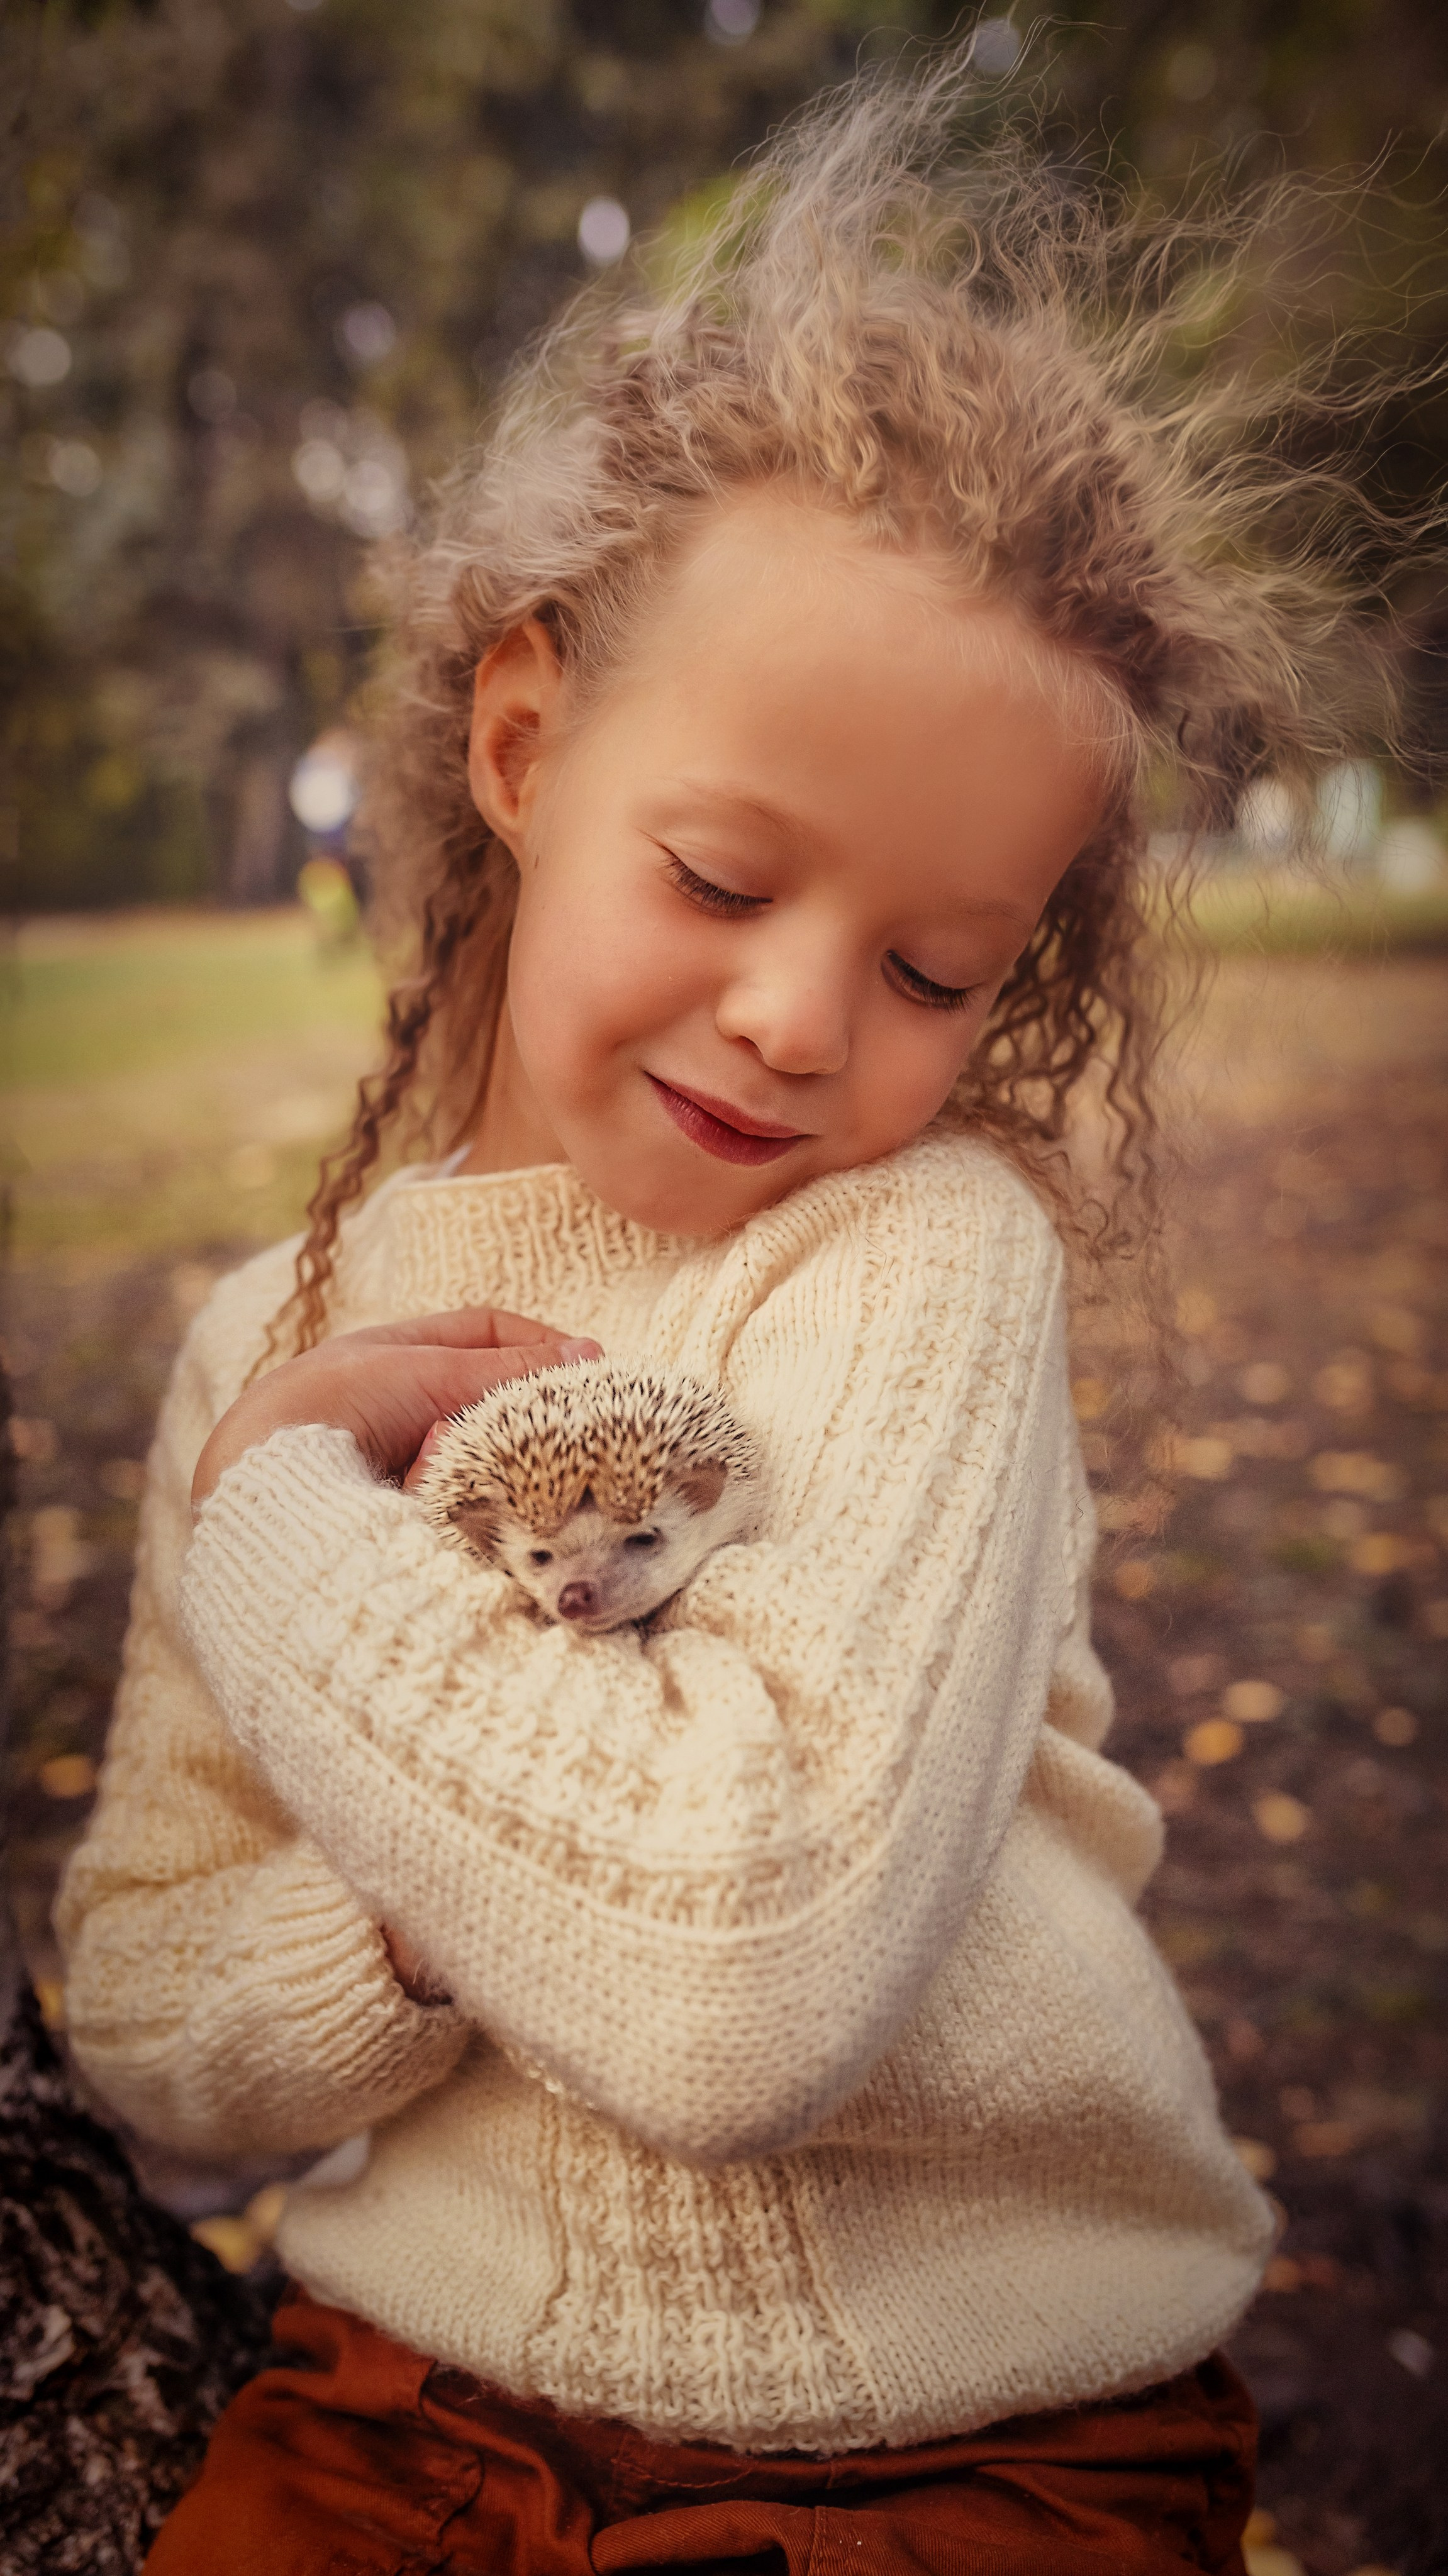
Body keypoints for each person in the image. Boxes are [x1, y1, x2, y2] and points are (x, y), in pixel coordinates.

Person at [57, 49, 1380, 2576]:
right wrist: (426, 1917)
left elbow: (737, 1980)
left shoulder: (913, 1259)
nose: (798, 1016)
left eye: (927, 963)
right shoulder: (275, 1338)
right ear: (531, 742)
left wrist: (288, 1549)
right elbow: (143, 2006)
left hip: (987, 2442)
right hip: (405, 2414)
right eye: (722, 873)